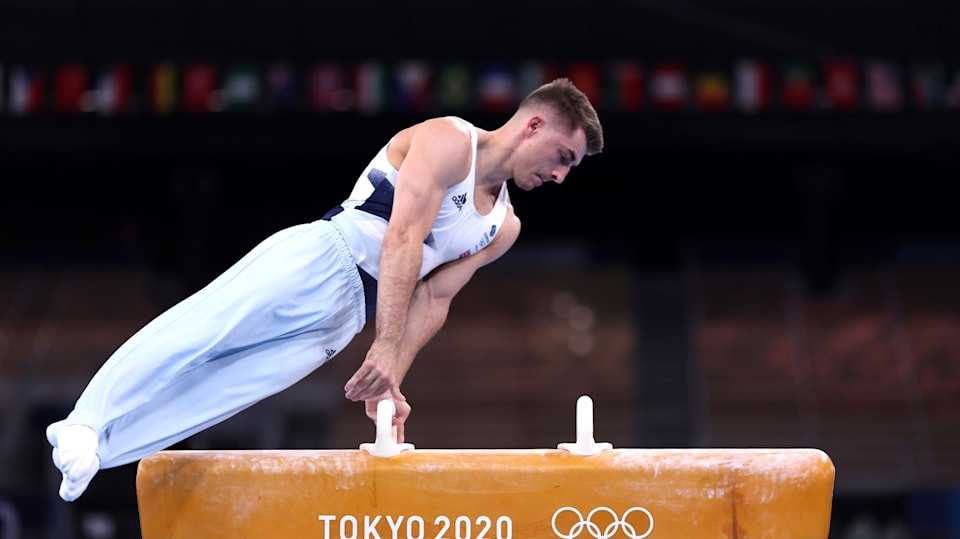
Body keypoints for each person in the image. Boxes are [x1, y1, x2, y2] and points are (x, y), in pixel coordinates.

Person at [45, 77, 604, 502]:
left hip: (347, 318)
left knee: (227, 390)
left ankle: (102, 453)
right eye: (563, 157)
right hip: (323, 257)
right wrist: (384, 346)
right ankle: (85, 421)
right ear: (533, 125)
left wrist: (391, 377)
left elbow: (433, 298)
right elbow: (404, 236)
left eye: (571, 168)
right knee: (201, 333)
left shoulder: (503, 227)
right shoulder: (450, 140)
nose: (561, 176)